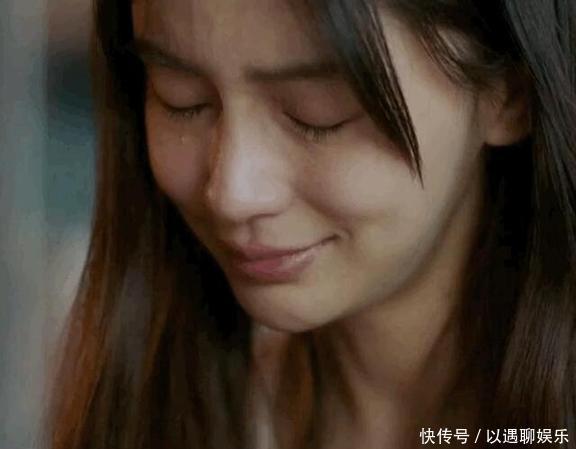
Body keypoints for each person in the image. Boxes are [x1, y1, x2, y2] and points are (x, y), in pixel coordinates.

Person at [46, 1, 576, 448]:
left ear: (509, 92)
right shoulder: (120, 376)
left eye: (317, 114)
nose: (232, 193)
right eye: (182, 99)